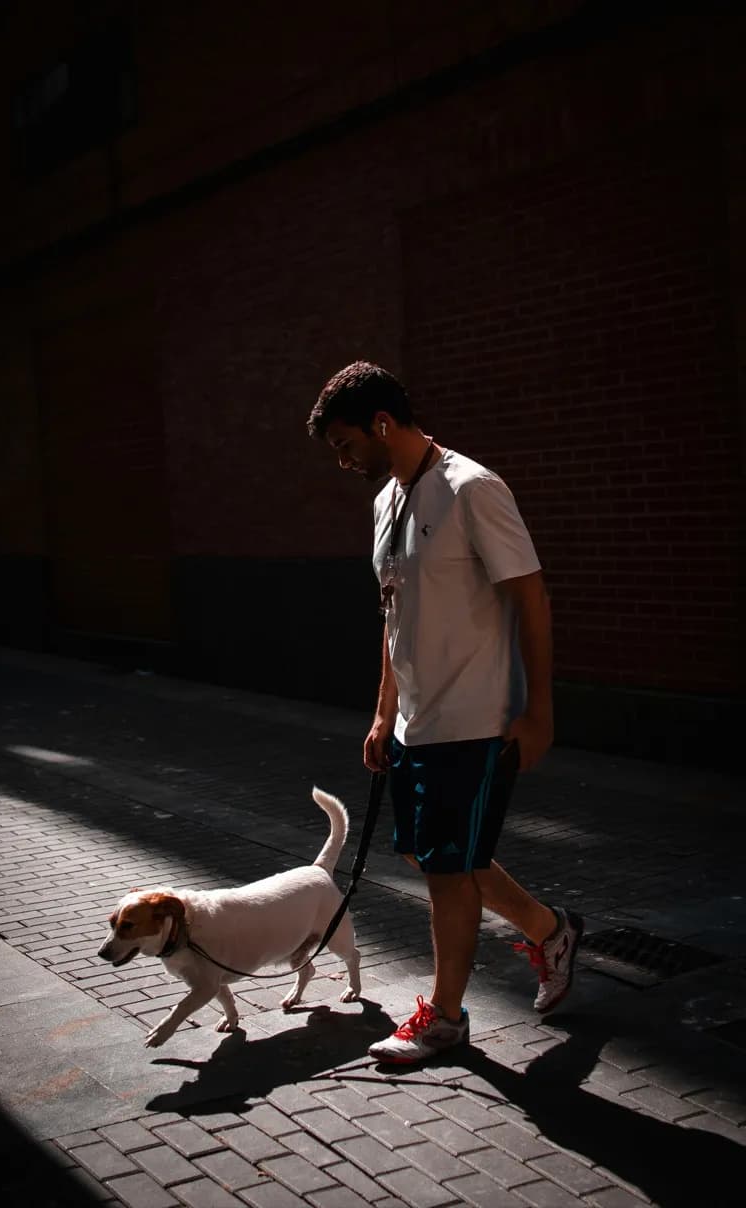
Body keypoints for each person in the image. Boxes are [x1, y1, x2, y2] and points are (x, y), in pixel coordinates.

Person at [307, 361, 583, 1064]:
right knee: (432, 853)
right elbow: (393, 615)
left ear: (381, 423)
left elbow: (531, 599)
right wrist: (381, 712)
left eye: (345, 446)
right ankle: (551, 930)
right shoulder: (385, 503)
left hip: (476, 718)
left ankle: (446, 1017)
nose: (344, 462)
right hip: (413, 724)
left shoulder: (472, 489)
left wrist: (539, 710)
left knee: (446, 871)